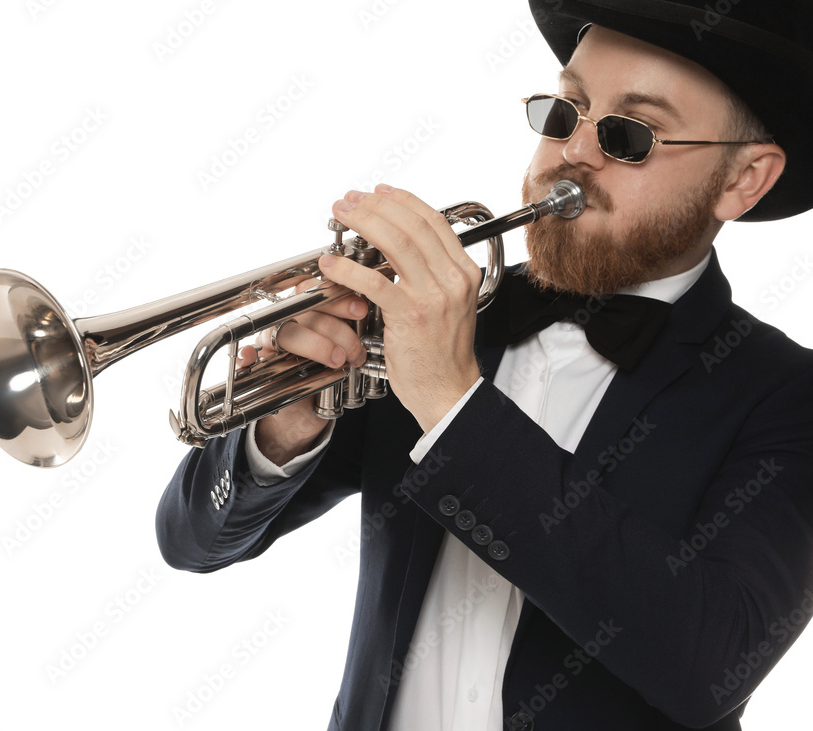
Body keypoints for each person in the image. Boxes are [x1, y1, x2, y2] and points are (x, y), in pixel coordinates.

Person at [156, 1, 813, 728]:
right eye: (566, 111)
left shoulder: (787, 398)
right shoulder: (444, 313)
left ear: (743, 179)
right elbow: (193, 541)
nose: (573, 153)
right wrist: (283, 426)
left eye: (630, 135)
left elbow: (712, 665)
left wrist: (455, 404)